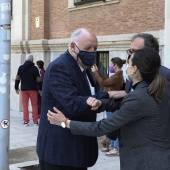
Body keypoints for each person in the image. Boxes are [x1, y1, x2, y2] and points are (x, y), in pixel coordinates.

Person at [47, 47, 170, 170]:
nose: (127, 66)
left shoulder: (140, 97)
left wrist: (65, 123)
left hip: (147, 163)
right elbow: (123, 104)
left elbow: (100, 127)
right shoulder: (155, 90)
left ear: (135, 69)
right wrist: (100, 103)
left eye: (129, 63)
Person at [36, 28, 113, 170]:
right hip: (60, 153)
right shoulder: (59, 67)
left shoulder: (84, 67)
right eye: (88, 48)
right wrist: (109, 95)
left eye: (95, 48)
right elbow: (73, 104)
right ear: (72, 46)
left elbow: (90, 99)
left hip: (79, 150)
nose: (92, 52)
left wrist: (102, 100)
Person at [101, 33, 170, 148]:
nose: (130, 56)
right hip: (132, 148)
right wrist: (110, 134)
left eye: (134, 51)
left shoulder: (165, 76)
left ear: (149, 53)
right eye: (130, 51)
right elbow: (125, 108)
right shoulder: (132, 75)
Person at [91, 57, 126, 156]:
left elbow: (104, 82)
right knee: (112, 125)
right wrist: (98, 72)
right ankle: (112, 146)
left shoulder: (118, 75)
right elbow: (106, 80)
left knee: (114, 125)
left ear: (115, 65)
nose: (110, 66)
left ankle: (116, 147)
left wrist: (95, 73)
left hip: (113, 103)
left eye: (111, 64)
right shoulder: (116, 75)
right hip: (111, 103)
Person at [15, 54, 42, 126]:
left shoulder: (21, 68)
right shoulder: (35, 68)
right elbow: (39, 80)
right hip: (33, 89)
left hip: (24, 89)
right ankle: (35, 120)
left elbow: (17, 78)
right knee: (34, 105)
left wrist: (16, 87)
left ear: (26, 59)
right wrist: (40, 89)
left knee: (25, 105)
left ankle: (26, 121)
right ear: (32, 60)